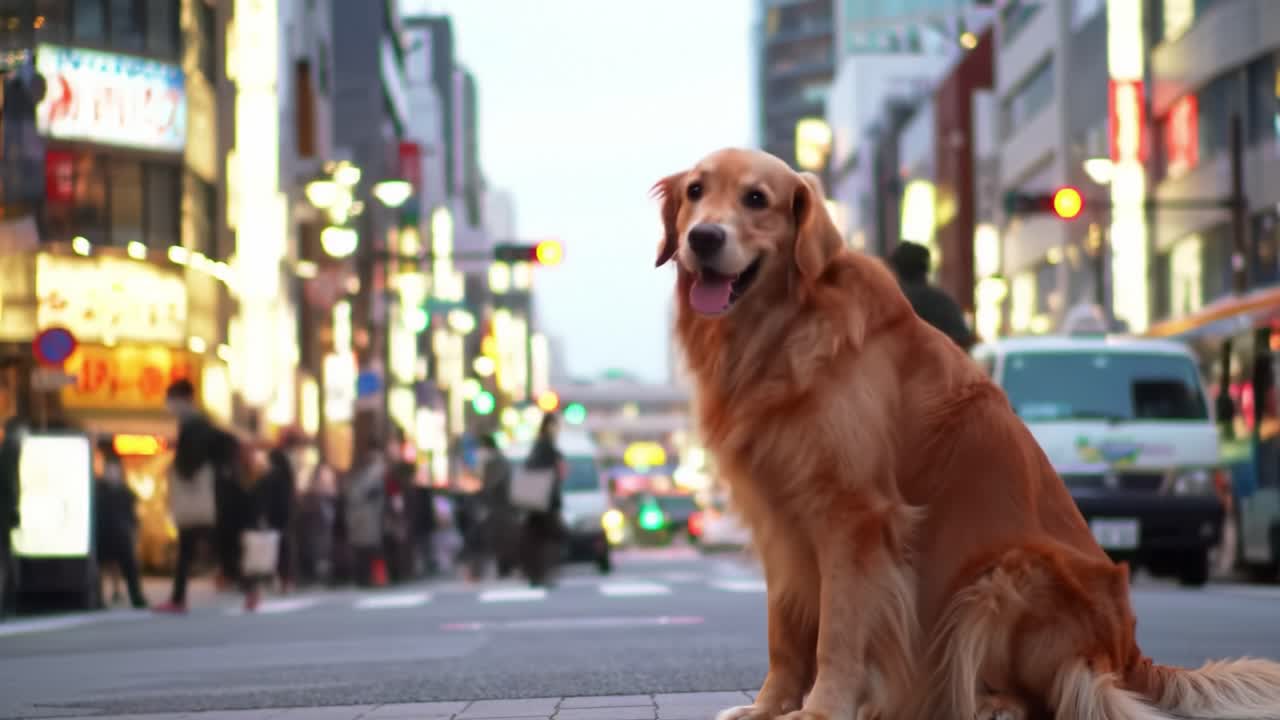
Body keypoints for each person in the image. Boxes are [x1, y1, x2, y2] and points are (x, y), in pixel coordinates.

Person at [156, 379, 254, 613]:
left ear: (183, 400)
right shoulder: (203, 423)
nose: (170, 406)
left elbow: (191, 461)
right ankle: (180, 598)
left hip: (205, 498)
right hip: (211, 496)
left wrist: (178, 467)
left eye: (172, 400)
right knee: (204, 547)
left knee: (209, 547)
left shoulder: (193, 425)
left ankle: (248, 590)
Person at [887, 241, 976, 350]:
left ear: (895, 269)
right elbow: (963, 341)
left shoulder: (889, 305)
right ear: (927, 268)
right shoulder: (943, 303)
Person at [93, 437, 147, 609]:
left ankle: (132, 596)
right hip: (112, 531)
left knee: (119, 564)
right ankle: (131, 596)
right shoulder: (109, 488)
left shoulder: (117, 489)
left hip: (115, 531)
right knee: (115, 564)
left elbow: (132, 513)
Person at [520, 413, 567, 588]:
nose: (557, 430)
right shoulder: (545, 446)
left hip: (538, 499)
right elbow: (548, 472)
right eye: (555, 426)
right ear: (549, 426)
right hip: (543, 499)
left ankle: (537, 574)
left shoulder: (541, 445)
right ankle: (538, 574)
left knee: (539, 538)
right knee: (547, 537)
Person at [477, 434, 517, 579]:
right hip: (501, 507)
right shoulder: (498, 461)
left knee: (501, 538)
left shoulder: (494, 462)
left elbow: (491, 485)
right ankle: (505, 566)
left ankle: (505, 566)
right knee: (501, 538)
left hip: (500, 507)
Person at [0, 416, 25, 618]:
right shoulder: (10, 451)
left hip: (4, 517)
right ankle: (7, 605)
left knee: (6, 562)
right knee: (6, 563)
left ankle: (8, 604)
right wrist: (14, 512)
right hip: (3, 519)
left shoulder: (8, 450)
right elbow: (10, 486)